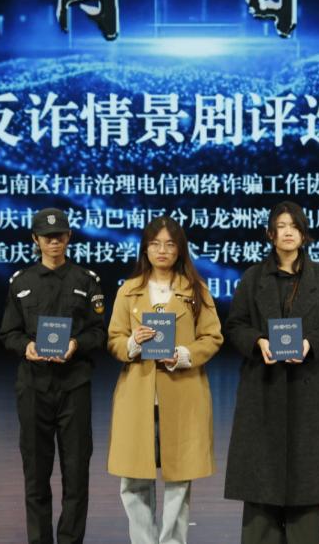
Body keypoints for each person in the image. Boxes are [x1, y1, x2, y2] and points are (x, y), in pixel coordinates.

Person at [224, 200, 319, 544]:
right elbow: (235, 325)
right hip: (262, 387)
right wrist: (257, 342)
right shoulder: (253, 278)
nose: (288, 232)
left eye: (294, 226)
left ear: (304, 234)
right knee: (260, 480)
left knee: (306, 481)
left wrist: (310, 344)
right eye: (281, 226)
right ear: (270, 234)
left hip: (307, 389)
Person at [107, 216, 224, 544]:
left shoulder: (195, 290)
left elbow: (213, 337)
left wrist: (184, 354)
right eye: (155, 244)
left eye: (170, 244)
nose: (162, 250)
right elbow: (114, 339)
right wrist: (133, 343)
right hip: (137, 395)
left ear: (179, 249)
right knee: (133, 478)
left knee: (179, 479)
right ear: (145, 249)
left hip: (183, 392)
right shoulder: (129, 290)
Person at [0, 208, 106, 544]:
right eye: (47, 237)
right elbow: (8, 333)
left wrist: (76, 343)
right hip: (34, 385)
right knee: (36, 472)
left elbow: (99, 332)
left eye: (59, 235)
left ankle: (71, 540)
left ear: (69, 237)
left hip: (74, 385)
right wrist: (27, 347)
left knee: (76, 472)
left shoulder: (86, 281)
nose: (54, 241)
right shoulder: (21, 282)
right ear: (35, 239)